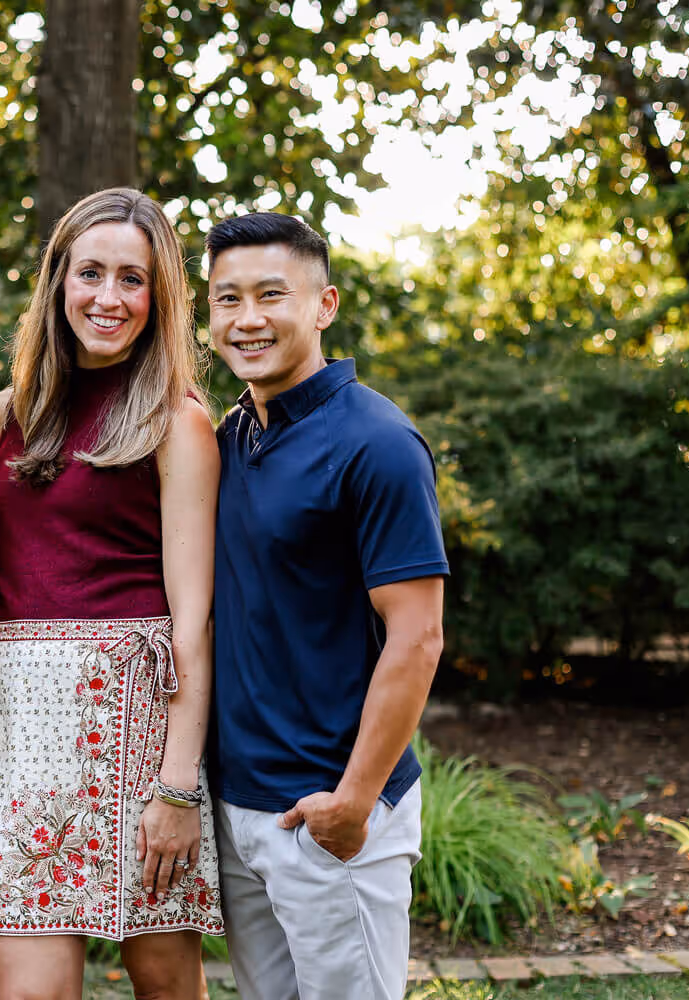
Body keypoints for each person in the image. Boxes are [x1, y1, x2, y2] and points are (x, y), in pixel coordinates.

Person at [0, 187, 223, 1000]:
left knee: (165, 981)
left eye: (132, 280)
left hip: (132, 726)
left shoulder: (178, 421)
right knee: (32, 992)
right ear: (58, 281)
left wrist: (176, 788)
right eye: (90, 273)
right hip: (12, 728)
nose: (108, 298)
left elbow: (193, 623)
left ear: (159, 296)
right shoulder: (7, 416)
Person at [204, 212, 447, 1000]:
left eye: (270, 294)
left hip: (332, 812)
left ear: (324, 304)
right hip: (244, 808)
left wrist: (354, 801)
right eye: (226, 298)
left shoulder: (376, 442)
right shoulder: (232, 435)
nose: (247, 318)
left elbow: (417, 637)